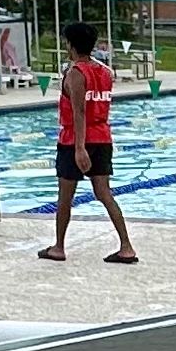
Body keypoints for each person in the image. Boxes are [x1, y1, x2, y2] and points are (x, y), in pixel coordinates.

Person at [41, 18, 135, 264]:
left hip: (74, 141)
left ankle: (59, 247)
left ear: (70, 45)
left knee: (65, 197)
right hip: (103, 138)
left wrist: (80, 148)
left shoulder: (75, 73)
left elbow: (79, 111)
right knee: (104, 193)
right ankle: (126, 246)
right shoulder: (104, 71)